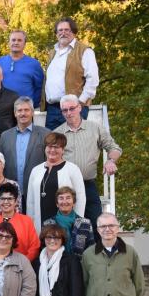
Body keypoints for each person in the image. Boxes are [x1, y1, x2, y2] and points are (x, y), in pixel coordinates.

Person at [55, 93, 122, 232]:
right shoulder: (57, 133)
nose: (69, 113)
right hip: (65, 187)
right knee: (67, 227)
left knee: (96, 224)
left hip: (88, 185)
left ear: (80, 107)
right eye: (64, 110)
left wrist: (111, 161)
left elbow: (114, 148)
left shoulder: (95, 128)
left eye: (72, 108)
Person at [43, 17, 99, 131]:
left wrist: (80, 102)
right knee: (52, 141)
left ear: (73, 32)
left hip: (74, 108)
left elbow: (92, 79)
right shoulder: (53, 53)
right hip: (53, 110)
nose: (63, 33)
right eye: (60, 30)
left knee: (75, 140)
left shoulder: (85, 51)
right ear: (56, 33)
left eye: (66, 30)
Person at [26, 132, 86, 233]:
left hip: (66, 223)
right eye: (49, 146)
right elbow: (30, 201)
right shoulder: (36, 170)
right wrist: (30, 224)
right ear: (45, 148)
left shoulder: (72, 169)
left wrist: (77, 223)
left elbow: (80, 198)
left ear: (63, 150)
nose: (52, 150)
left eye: (56, 147)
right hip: (40, 223)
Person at [0, 97, 50, 213]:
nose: (23, 113)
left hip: (37, 190)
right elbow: (2, 165)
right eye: (19, 110)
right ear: (15, 113)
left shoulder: (45, 134)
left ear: (32, 112)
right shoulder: (5, 136)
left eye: (26, 110)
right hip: (11, 193)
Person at [0, 182, 40, 261]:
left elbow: (34, 247)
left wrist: (22, 263)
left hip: (20, 265)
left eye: (10, 199)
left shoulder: (27, 221)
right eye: (3, 199)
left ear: (16, 201)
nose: (6, 202)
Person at [42, 186, 95, 257]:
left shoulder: (85, 223)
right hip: (55, 262)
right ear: (57, 204)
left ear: (74, 203)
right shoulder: (47, 224)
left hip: (79, 263)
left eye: (68, 198)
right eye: (61, 198)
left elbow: (91, 248)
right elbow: (43, 248)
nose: (64, 202)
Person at [0, 30, 43, 108]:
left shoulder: (34, 64)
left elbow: (39, 87)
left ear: (24, 44)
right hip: (3, 108)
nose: (16, 43)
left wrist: (33, 104)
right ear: (9, 43)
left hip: (25, 110)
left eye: (19, 40)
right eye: (13, 40)